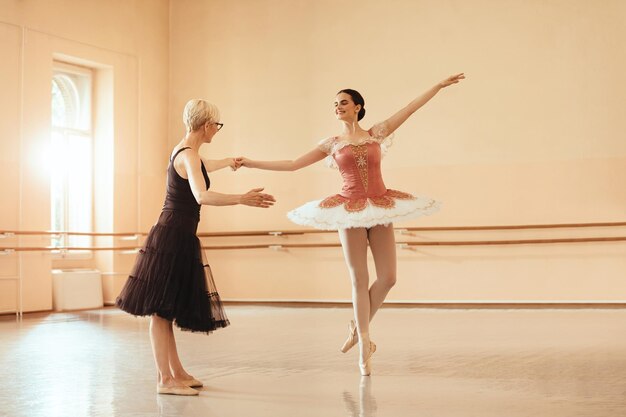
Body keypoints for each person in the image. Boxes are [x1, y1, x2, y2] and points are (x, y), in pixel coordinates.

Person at [239, 74, 464, 376]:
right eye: (335, 104)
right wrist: (252, 162)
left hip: (381, 205)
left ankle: (357, 327)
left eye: (343, 102)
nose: (338, 107)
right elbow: (293, 164)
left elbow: (409, 109)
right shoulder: (331, 143)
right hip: (349, 210)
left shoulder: (376, 133)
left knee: (388, 277)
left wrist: (437, 86)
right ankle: (364, 346)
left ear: (358, 107)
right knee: (359, 279)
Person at [116, 99, 275, 396]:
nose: (218, 130)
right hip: (173, 235)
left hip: (178, 234)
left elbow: (202, 166)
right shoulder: (188, 155)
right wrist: (242, 198)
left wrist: (229, 162)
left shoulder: (187, 152)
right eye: (217, 125)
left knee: (166, 309)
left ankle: (177, 372)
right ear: (206, 126)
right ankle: (165, 379)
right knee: (160, 312)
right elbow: (201, 195)